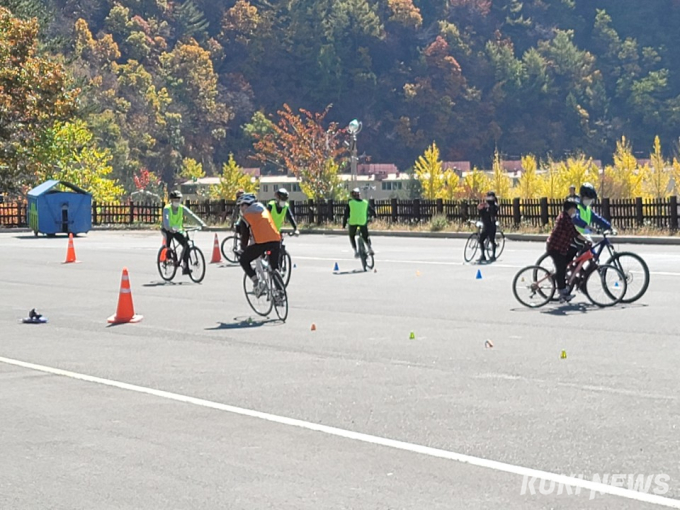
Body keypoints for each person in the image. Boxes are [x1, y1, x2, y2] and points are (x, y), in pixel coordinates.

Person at [547, 199, 590, 303]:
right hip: (555, 248)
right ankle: (563, 293)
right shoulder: (565, 219)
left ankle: (565, 269)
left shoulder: (565, 217)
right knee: (561, 269)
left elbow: (572, 235)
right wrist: (586, 240)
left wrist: (582, 242)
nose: (575, 212)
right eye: (574, 210)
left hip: (561, 247)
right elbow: (574, 233)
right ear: (570, 209)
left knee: (574, 249)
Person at [236, 193, 282, 287]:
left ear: (246, 205)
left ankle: (257, 282)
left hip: (261, 243)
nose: (240, 208)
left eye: (241, 205)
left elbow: (245, 235)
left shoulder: (246, 216)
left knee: (243, 260)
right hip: (276, 240)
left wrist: (243, 249)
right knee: (274, 267)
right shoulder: (264, 210)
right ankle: (280, 294)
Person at [162, 190, 207, 274]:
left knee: (186, 245)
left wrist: (202, 224)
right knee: (168, 241)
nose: (177, 202)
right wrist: (169, 228)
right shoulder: (167, 209)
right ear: (171, 200)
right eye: (175, 200)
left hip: (178, 230)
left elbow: (192, 215)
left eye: (178, 200)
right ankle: (168, 256)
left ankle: (185, 267)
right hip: (167, 229)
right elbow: (166, 220)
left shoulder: (181, 208)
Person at [342, 188, 375, 257]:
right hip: (362, 221)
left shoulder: (350, 203)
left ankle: (355, 250)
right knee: (365, 236)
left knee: (352, 236)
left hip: (353, 222)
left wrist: (344, 225)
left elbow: (345, 215)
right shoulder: (365, 203)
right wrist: (373, 217)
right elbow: (372, 211)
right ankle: (369, 247)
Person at [477, 191, 498, 263]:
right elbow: (482, 215)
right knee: (481, 240)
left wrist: (488, 207)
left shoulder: (494, 205)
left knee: (492, 240)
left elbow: (493, 212)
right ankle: (483, 255)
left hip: (491, 226)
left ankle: (493, 255)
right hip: (486, 226)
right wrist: (480, 209)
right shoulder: (485, 204)